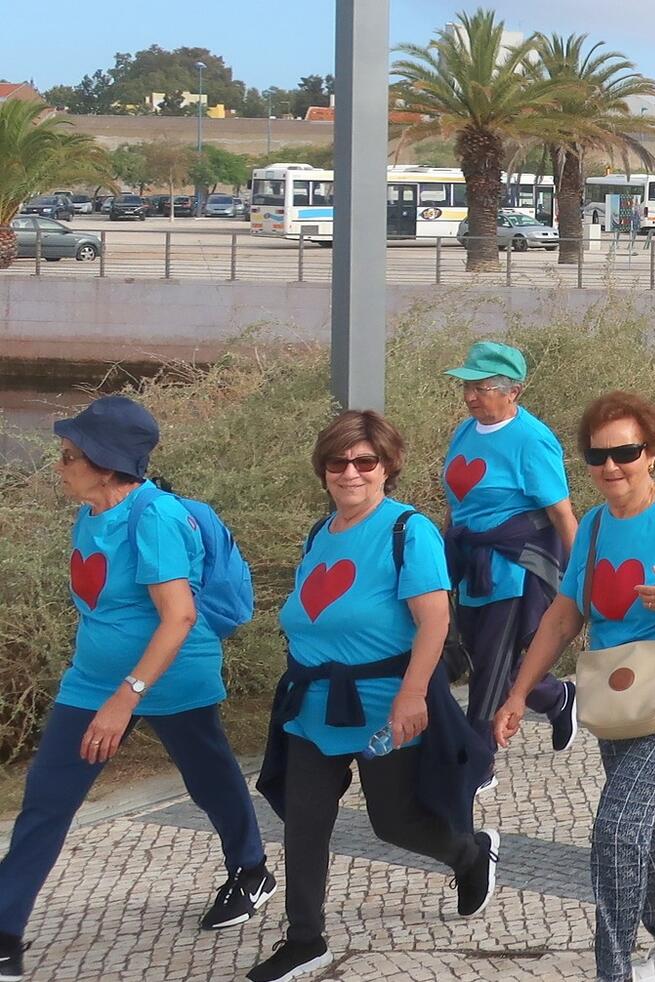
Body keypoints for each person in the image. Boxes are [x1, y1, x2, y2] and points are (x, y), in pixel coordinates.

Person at [1, 398, 273, 982]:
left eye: (70, 456)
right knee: (46, 801)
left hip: (169, 677)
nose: (59, 464)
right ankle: (4, 935)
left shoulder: (155, 518)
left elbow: (177, 617)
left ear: (105, 464)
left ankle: (250, 869)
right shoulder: (91, 512)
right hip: (92, 682)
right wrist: (100, 683)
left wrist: (126, 697)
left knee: (209, 780)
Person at [495, 393, 655, 982]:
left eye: (625, 452)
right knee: (650, 816)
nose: (611, 466)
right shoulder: (591, 526)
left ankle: (610, 969)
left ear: (652, 452)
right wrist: (518, 694)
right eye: (598, 455)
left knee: (618, 825)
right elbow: (564, 615)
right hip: (618, 694)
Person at [247, 411, 499, 982]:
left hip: (386, 706)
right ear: (324, 469)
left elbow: (434, 622)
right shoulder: (320, 533)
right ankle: (305, 939)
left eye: (365, 462)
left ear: (387, 467)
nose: (351, 473)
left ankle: (469, 853)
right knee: (304, 823)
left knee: (395, 823)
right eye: (338, 462)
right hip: (313, 707)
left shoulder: (408, 531)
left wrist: (413, 697)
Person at [438, 341, 580, 769]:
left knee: (492, 664)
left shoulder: (532, 440)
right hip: (471, 559)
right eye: (467, 386)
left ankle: (475, 765)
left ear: (512, 391)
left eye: (481, 387)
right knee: (481, 653)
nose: (469, 396)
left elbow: (561, 512)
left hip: (516, 564)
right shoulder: (465, 432)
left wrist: (579, 580)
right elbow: (457, 502)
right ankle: (556, 696)